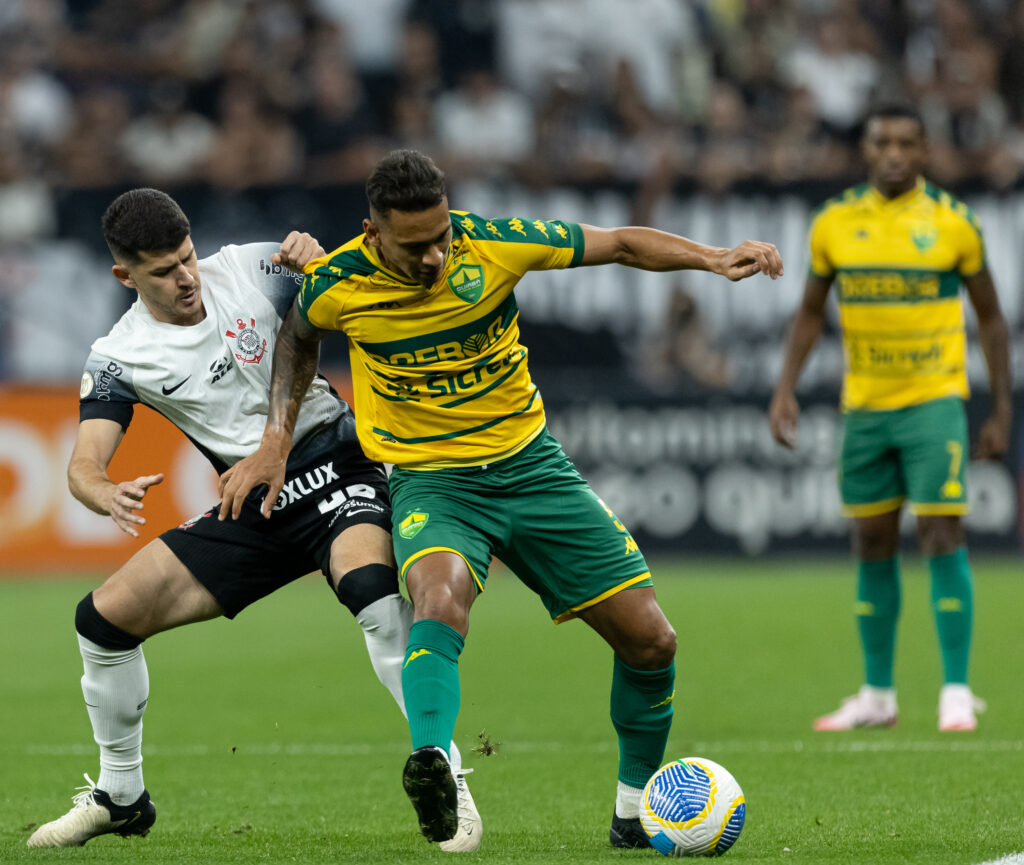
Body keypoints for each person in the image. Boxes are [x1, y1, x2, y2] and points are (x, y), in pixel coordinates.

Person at [219, 149, 784, 847]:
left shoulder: (493, 242)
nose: (433, 256)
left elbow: (620, 243)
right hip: (434, 481)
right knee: (438, 599)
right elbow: (298, 342)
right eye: (414, 245)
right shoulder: (337, 281)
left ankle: (633, 815)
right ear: (372, 232)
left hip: (531, 468)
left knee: (652, 640)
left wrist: (712, 257)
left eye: (440, 238)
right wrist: (276, 439)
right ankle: (433, 761)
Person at [26, 188, 481, 852]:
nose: (185, 277)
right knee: (103, 618)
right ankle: (121, 794)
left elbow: (352, 289)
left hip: (336, 464)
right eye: (163, 270)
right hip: (254, 504)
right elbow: (82, 464)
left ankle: (446, 775)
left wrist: (319, 258)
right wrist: (103, 492)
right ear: (125, 275)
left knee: (374, 596)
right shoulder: (120, 354)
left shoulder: (254, 267)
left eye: (186, 258)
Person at [769, 105, 1011, 732]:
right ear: (867, 151)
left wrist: (1002, 408)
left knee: (941, 533)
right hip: (866, 410)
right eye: (883, 143)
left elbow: (989, 317)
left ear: (926, 151)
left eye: (907, 143)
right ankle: (878, 695)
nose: (895, 154)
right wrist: (785, 389)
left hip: (934, 402)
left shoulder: (955, 224)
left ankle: (956, 691)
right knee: (871, 543)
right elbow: (810, 313)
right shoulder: (835, 224)